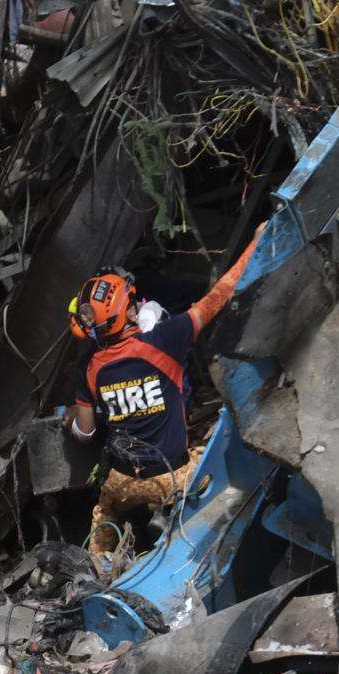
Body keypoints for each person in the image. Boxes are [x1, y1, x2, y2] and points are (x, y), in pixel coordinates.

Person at [66, 226, 266, 554]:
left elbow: (84, 433)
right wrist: (256, 242)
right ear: (128, 312)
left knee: (105, 511)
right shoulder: (167, 337)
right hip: (173, 478)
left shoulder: (89, 368)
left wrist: (74, 418)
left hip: (123, 482)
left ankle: (102, 567)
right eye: (132, 301)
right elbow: (221, 293)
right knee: (213, 454)